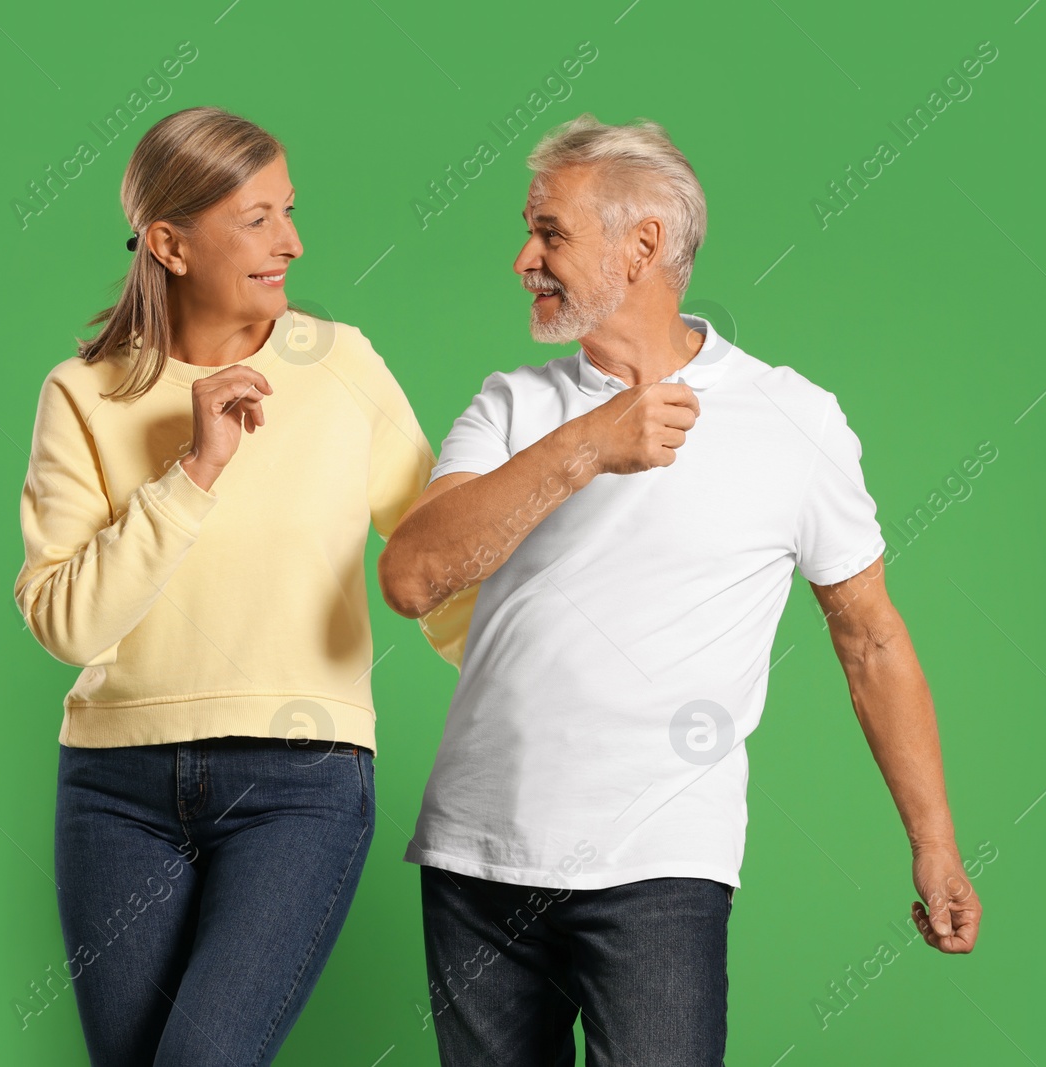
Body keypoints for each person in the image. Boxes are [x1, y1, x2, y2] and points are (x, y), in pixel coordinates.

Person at [379, 114, 983, 1066]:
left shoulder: (793, 418)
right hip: (476, 863)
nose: (522, 258)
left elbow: (870, 639)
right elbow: (412, 576)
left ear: (643, 246)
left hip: (660, 870)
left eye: (549, 232)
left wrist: (936, 845)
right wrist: (587, 445)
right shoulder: (513, 406)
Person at [13, 105, 469, 1067]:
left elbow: (439, 570)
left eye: (289, 211)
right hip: (114, 788)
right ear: (171, 243)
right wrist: (194, 470)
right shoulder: (83, 393)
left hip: (300, 782)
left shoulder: (339, 364)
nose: (292, 242)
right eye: (257, 218)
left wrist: (563, 687)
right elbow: (68, 622)